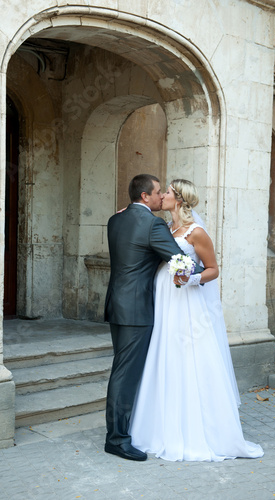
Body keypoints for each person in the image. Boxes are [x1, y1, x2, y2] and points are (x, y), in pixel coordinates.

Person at [129, 179, 264, 461]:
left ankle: (197, 430)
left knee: (188, 356)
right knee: (165, 355)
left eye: (166, 192)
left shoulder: (196, 232)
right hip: (165, 299)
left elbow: (213, 269)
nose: (162, 195)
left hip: (186, 301)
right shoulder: (166, 228)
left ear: (177, 199)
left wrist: (190, 278)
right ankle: (161, 427)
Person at [104, 174, 204, 461]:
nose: (162, 197)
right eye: (158, 192)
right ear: (145, 197)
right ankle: (117, 439)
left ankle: (122, 430)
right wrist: (203, 276)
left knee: (121, 370)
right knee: (125, 374)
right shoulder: (153, 224)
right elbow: (178, 259)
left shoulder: (115, 219)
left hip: (117, 305)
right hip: (137, 310)